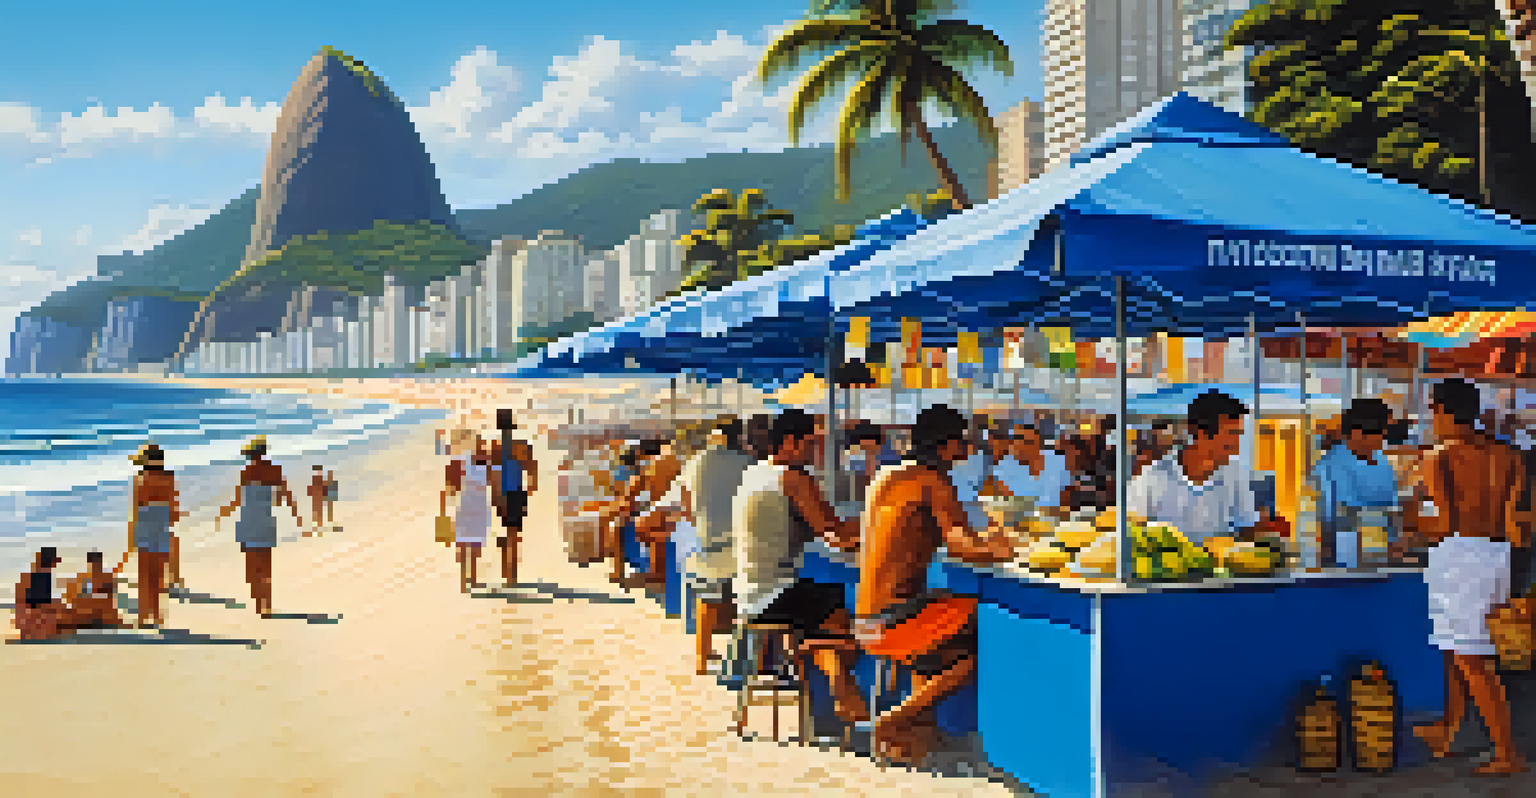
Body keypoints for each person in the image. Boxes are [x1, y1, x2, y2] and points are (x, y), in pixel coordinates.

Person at [854, 404, 1017, 766]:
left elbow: (956, 535)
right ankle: (896, 720)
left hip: (866, 616)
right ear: (947, 445)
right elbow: (960, 544)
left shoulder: (887, 474)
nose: (969, 449)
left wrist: (987, 538)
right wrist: (1003, 549)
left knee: (945, 619)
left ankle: (920, 731)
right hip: (893, 621)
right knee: (993, 629)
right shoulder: (933, 480)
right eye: (964, 441)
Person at [1391, 379, 1528, 775]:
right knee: (1457, 648)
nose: (1432, 420)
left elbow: (1443, 524)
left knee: (1471, 658)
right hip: (1498, 555)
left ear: (1445, 412)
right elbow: (1513, 519)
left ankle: (1506, 752)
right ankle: (1450, 729)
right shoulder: (1509, 455)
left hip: (1460, 557)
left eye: (1434, 411)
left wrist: (1412, 515)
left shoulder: (1439, 457)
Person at [733, 408, 868, 725]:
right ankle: (841, 686)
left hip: (749, 594)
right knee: (846, 615)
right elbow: (833, 529)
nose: (815, 451)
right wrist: (883, 523)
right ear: (790, 442)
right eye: (811, 443)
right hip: (774, 594)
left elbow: (814, 527)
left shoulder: (756, 473)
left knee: (824, 622)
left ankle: (828, 680)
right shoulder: (791, 477)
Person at [640, 418, 753, 674]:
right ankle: (740, 655)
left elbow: (684, 504)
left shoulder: (695, 464)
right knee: (746, 595)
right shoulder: (748, 463)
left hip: (706, 542)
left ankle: (703, 657)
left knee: (706, 598)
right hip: (741, 544)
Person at [1127, 391, 1276, 546]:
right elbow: (1129, 531)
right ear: (1199, 433)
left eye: (1238, 435)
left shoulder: (1235, 475)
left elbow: (1246, 528)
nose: (1236, 447)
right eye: (1230, 436)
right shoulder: (1151, 479)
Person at [215, 436, 302, 618]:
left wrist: (222, 513)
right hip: (265, 520)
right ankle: (267, 604)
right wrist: (296, 514)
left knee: (251, 566)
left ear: (250, 454)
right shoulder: (274, 469)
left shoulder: (246, 471)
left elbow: (239, 500)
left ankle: (258, 602)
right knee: (265, 565)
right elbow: (284, 494)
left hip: (248, 520)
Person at [1312, 399, 1400, 568]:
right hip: (1344, 559)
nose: (1384, 439)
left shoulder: (1382, 462)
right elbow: (1330, 521)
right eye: (1381, 433)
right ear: (1357, 433)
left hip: (1382, 560)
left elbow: (1392, 510)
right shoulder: (1329, 466)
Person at [130, 443, 181, 628]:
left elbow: (136, 510)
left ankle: (144, 617)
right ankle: (158, 616)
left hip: (144, 527)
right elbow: (174, 509)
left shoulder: (140, 479)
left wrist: (132, 537)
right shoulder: (169, 478)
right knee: (159, 576)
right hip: (162, 527)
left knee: (145, 576)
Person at [490, 410, 539, 587]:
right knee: (514, 533)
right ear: (512, 426)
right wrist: (529, 489)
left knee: (507, 531)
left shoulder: (494, 447)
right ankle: (512, 575)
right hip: (517, 493)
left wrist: (495, 496)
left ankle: (507, 572)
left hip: (501, 492)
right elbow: (532, 470)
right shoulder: (523, 446)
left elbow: (493, 475)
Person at [444, 429, 492, 592]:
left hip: (469, 506)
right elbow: (450, 489)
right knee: (471, 544)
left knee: (468, 544)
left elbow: (450, 490)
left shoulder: (460, 463)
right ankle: (469, 579)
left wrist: (446, 511)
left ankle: (468, 579)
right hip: (473, 506)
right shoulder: (478, 462)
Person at [12, 547, 83, 640]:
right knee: (65, 613)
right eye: (55, 561)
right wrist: (59, 607)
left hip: (27, 614)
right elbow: (38, 603)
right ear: (50, 561)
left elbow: (38, 600)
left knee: (61, 608)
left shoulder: (36, 573)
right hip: (31, 615)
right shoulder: (41, 575)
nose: (56, 565)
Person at [64, 550, 122, 628]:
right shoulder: (80, 580)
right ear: (88, 564)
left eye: (97, 563)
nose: (95, 566)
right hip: (86, 616)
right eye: (93, 563)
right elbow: (72, 599)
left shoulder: (107, 578)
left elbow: (109, 598)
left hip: (103, 617)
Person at [307, 465, 328, 537]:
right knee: (316, 512)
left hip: (318, 496)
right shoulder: (316, 479)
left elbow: (324, 488)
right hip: (316, 497)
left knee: (318, 512)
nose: (319, 472)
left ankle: (318, 528)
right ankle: (317, 528)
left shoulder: (318, 479)